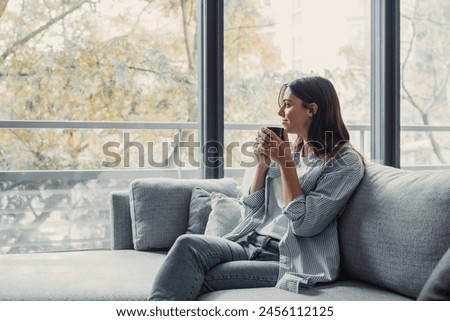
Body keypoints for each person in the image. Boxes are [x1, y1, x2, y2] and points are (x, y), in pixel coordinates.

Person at [148, 76, 365, 300]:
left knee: (194, 277)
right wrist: (262, 165)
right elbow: (250, 213)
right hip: (249, 242)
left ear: (311, 109)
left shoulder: (344, 162)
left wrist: (285, 164)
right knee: (187, 244)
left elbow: (304, 225)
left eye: (288, 105)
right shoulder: (293, 151)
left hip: (287, 258)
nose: (280, 112)